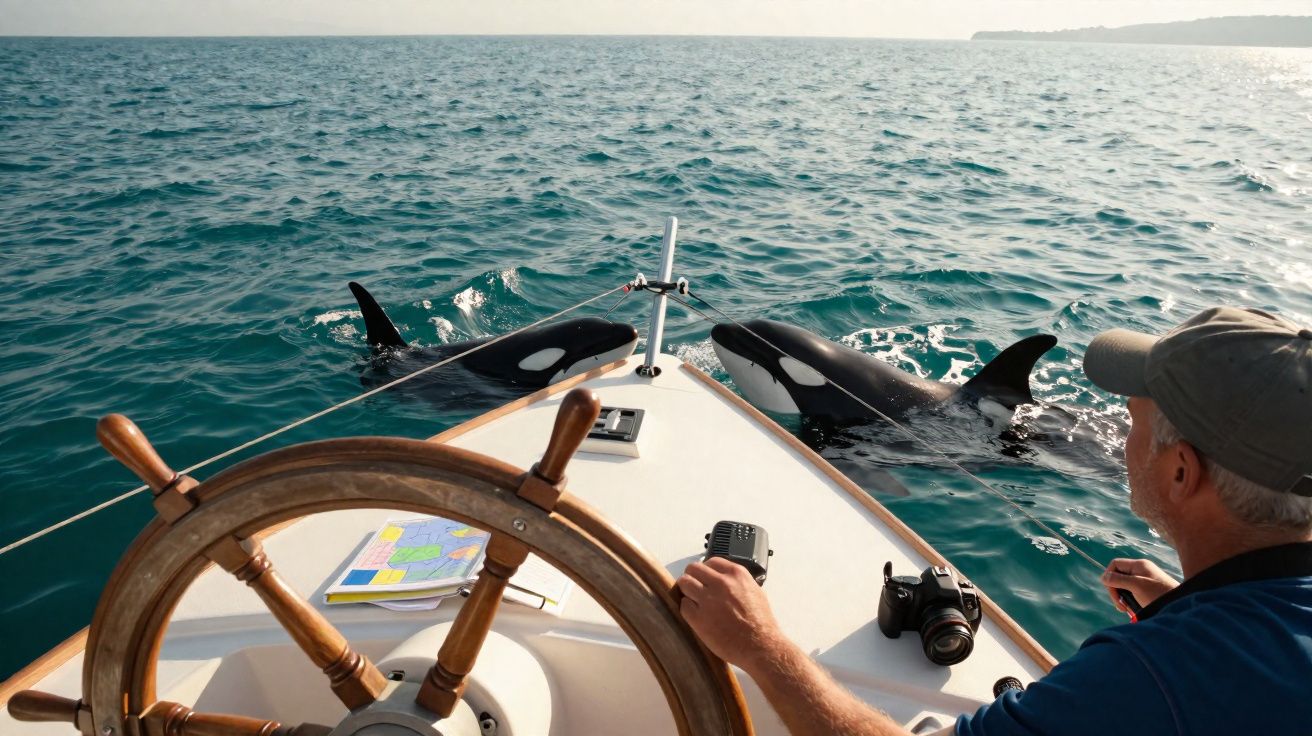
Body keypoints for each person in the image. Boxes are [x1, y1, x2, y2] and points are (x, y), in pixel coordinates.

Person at [677, 306, 1312, 735]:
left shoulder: (1149, 676)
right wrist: (1190, 603)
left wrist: (761, 647)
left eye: (1134, 420)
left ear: (1180, 472)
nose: (1122, 439)